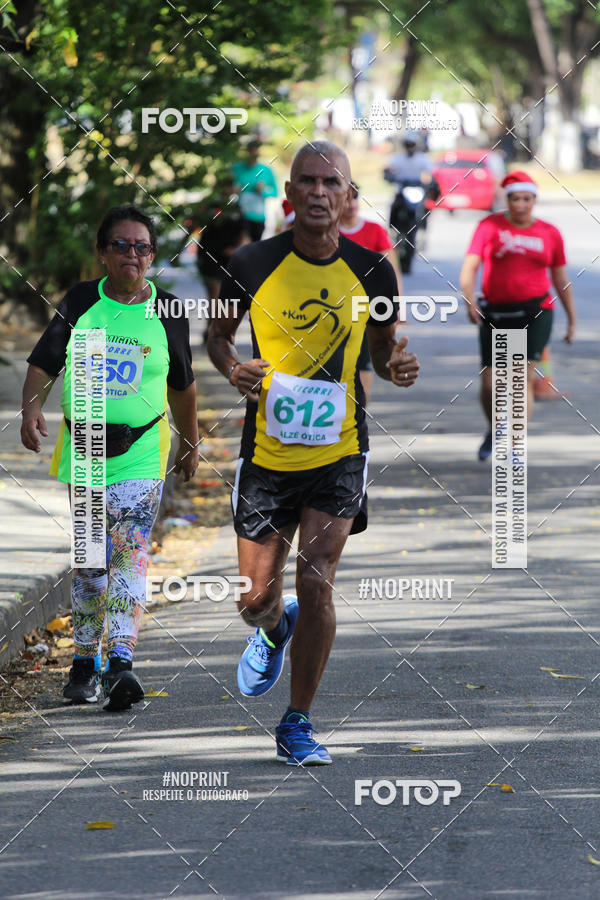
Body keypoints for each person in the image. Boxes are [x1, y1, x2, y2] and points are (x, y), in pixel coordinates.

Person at [207, 141, 419, 765]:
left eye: (333, 182)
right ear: (290, 195)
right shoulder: (249, 263)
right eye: (309, 182)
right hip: (267, 455)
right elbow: (217, 336)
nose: (321, 192)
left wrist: (398, 366)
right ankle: (275, 627)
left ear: (350, 195)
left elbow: (383, 353)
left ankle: (297, 722)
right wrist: (232, 369)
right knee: (253, 599)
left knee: (318, 580)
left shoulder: (375, 270)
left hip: (340, 451)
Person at [21, 205, 198, 710]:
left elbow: (183, 385)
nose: (133, 255)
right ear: (102, 253)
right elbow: (43, 363)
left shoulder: (168, 311)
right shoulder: (81, 301)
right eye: (121, 245)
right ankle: (83, 663)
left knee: (129, 557)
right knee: (90, 563)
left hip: (142, 449)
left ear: (152, 256)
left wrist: (190, 443)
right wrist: (30, 410)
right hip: (87, 450)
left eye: (143, 247)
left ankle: (121, 662)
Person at [459, 171, 575, 461]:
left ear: (534, 199)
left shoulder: (549, 232)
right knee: (490, 382)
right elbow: (470, 268)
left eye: (526, 198)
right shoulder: (489, 226)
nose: (521, 204)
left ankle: (515, 444)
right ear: (507, 199)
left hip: (536, 311)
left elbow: (560, 277)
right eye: (515, 198)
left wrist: (572, 318)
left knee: (521, 377)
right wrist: (469, 301)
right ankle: (493, 427)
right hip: (495, 313)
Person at [339, 182, 403, 404]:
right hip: (333, 313)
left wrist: (397, 307)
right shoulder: (328, 234)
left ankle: (359, 413)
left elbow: (392, 271)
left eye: (354, 198)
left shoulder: (374, 230)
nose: (350, 204)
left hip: (365, 313)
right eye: (345, 198)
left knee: (364, 362)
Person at [232, 139, 278, 241]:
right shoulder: (236, 168)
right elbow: (226, 188)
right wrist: (234, 190)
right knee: (243, 243)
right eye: (251, 150)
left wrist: (263, 191)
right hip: (241, 214)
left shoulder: (266, 170)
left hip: (258, 217)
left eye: (255, 150)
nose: (253, 153)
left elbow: (275, 193)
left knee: (254, 246)